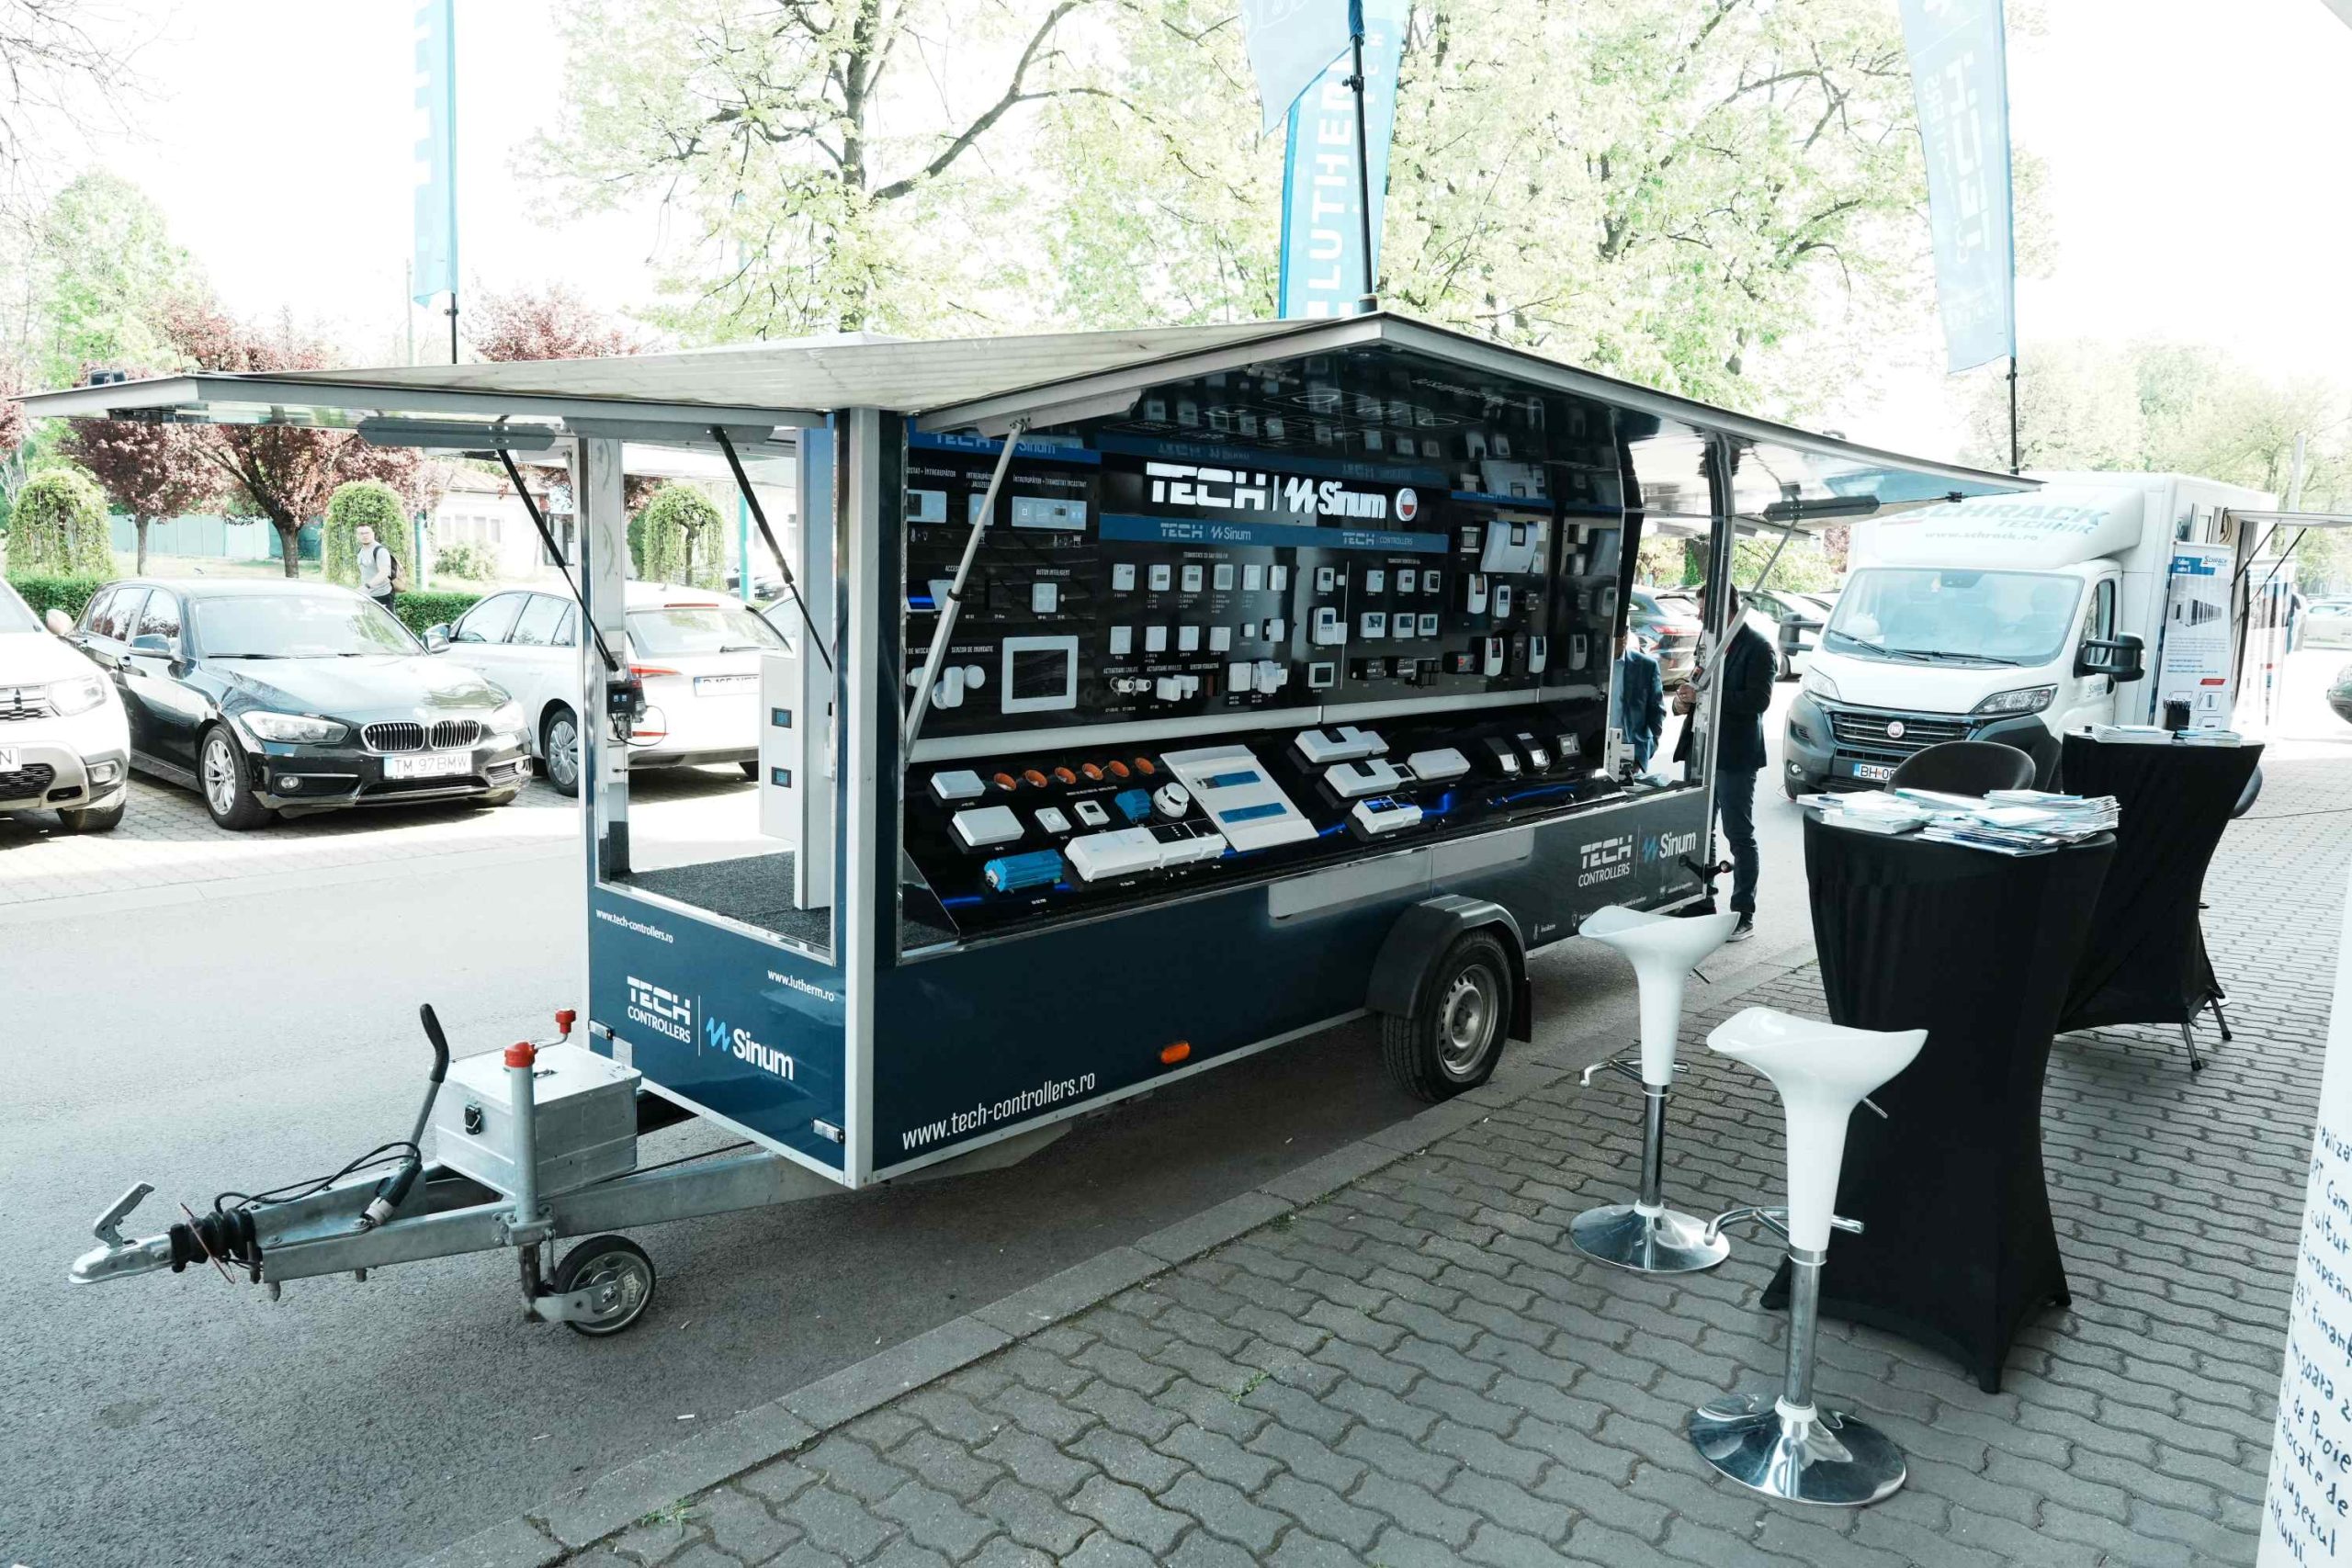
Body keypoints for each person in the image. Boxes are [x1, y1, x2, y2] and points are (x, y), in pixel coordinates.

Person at [1672, 581, 1775, 942]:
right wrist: (1686, 696)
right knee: (1702, 830)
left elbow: (1758, 700)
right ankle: (1702, 901)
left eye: (1703, 608)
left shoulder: (1758, 646)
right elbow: (1695, 683)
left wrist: (1708, 695)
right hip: (1700, 749)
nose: (1699, 614)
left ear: (1723, 607)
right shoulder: (1708, 642)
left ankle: (1743, 913)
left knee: (1738, 834)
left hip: (1735, 756)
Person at [1612, 627, 1665, 772]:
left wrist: (1649, 746)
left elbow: (1657, 710)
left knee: (1623, 784)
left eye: (1624, 631)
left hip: (1625, 745)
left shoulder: (1645, 665)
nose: (1621, 637)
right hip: (1594, 744)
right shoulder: (1594, 664)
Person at [356, 525, 397, 615]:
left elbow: (384, 573)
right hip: (367, 595)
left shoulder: (380, 551)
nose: (364, 535)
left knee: (386, 623)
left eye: (367, 533)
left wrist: (367, 586)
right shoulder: (360, 551)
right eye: (361, 533)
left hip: (382, 595)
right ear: (357, 536)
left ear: (373, 534)